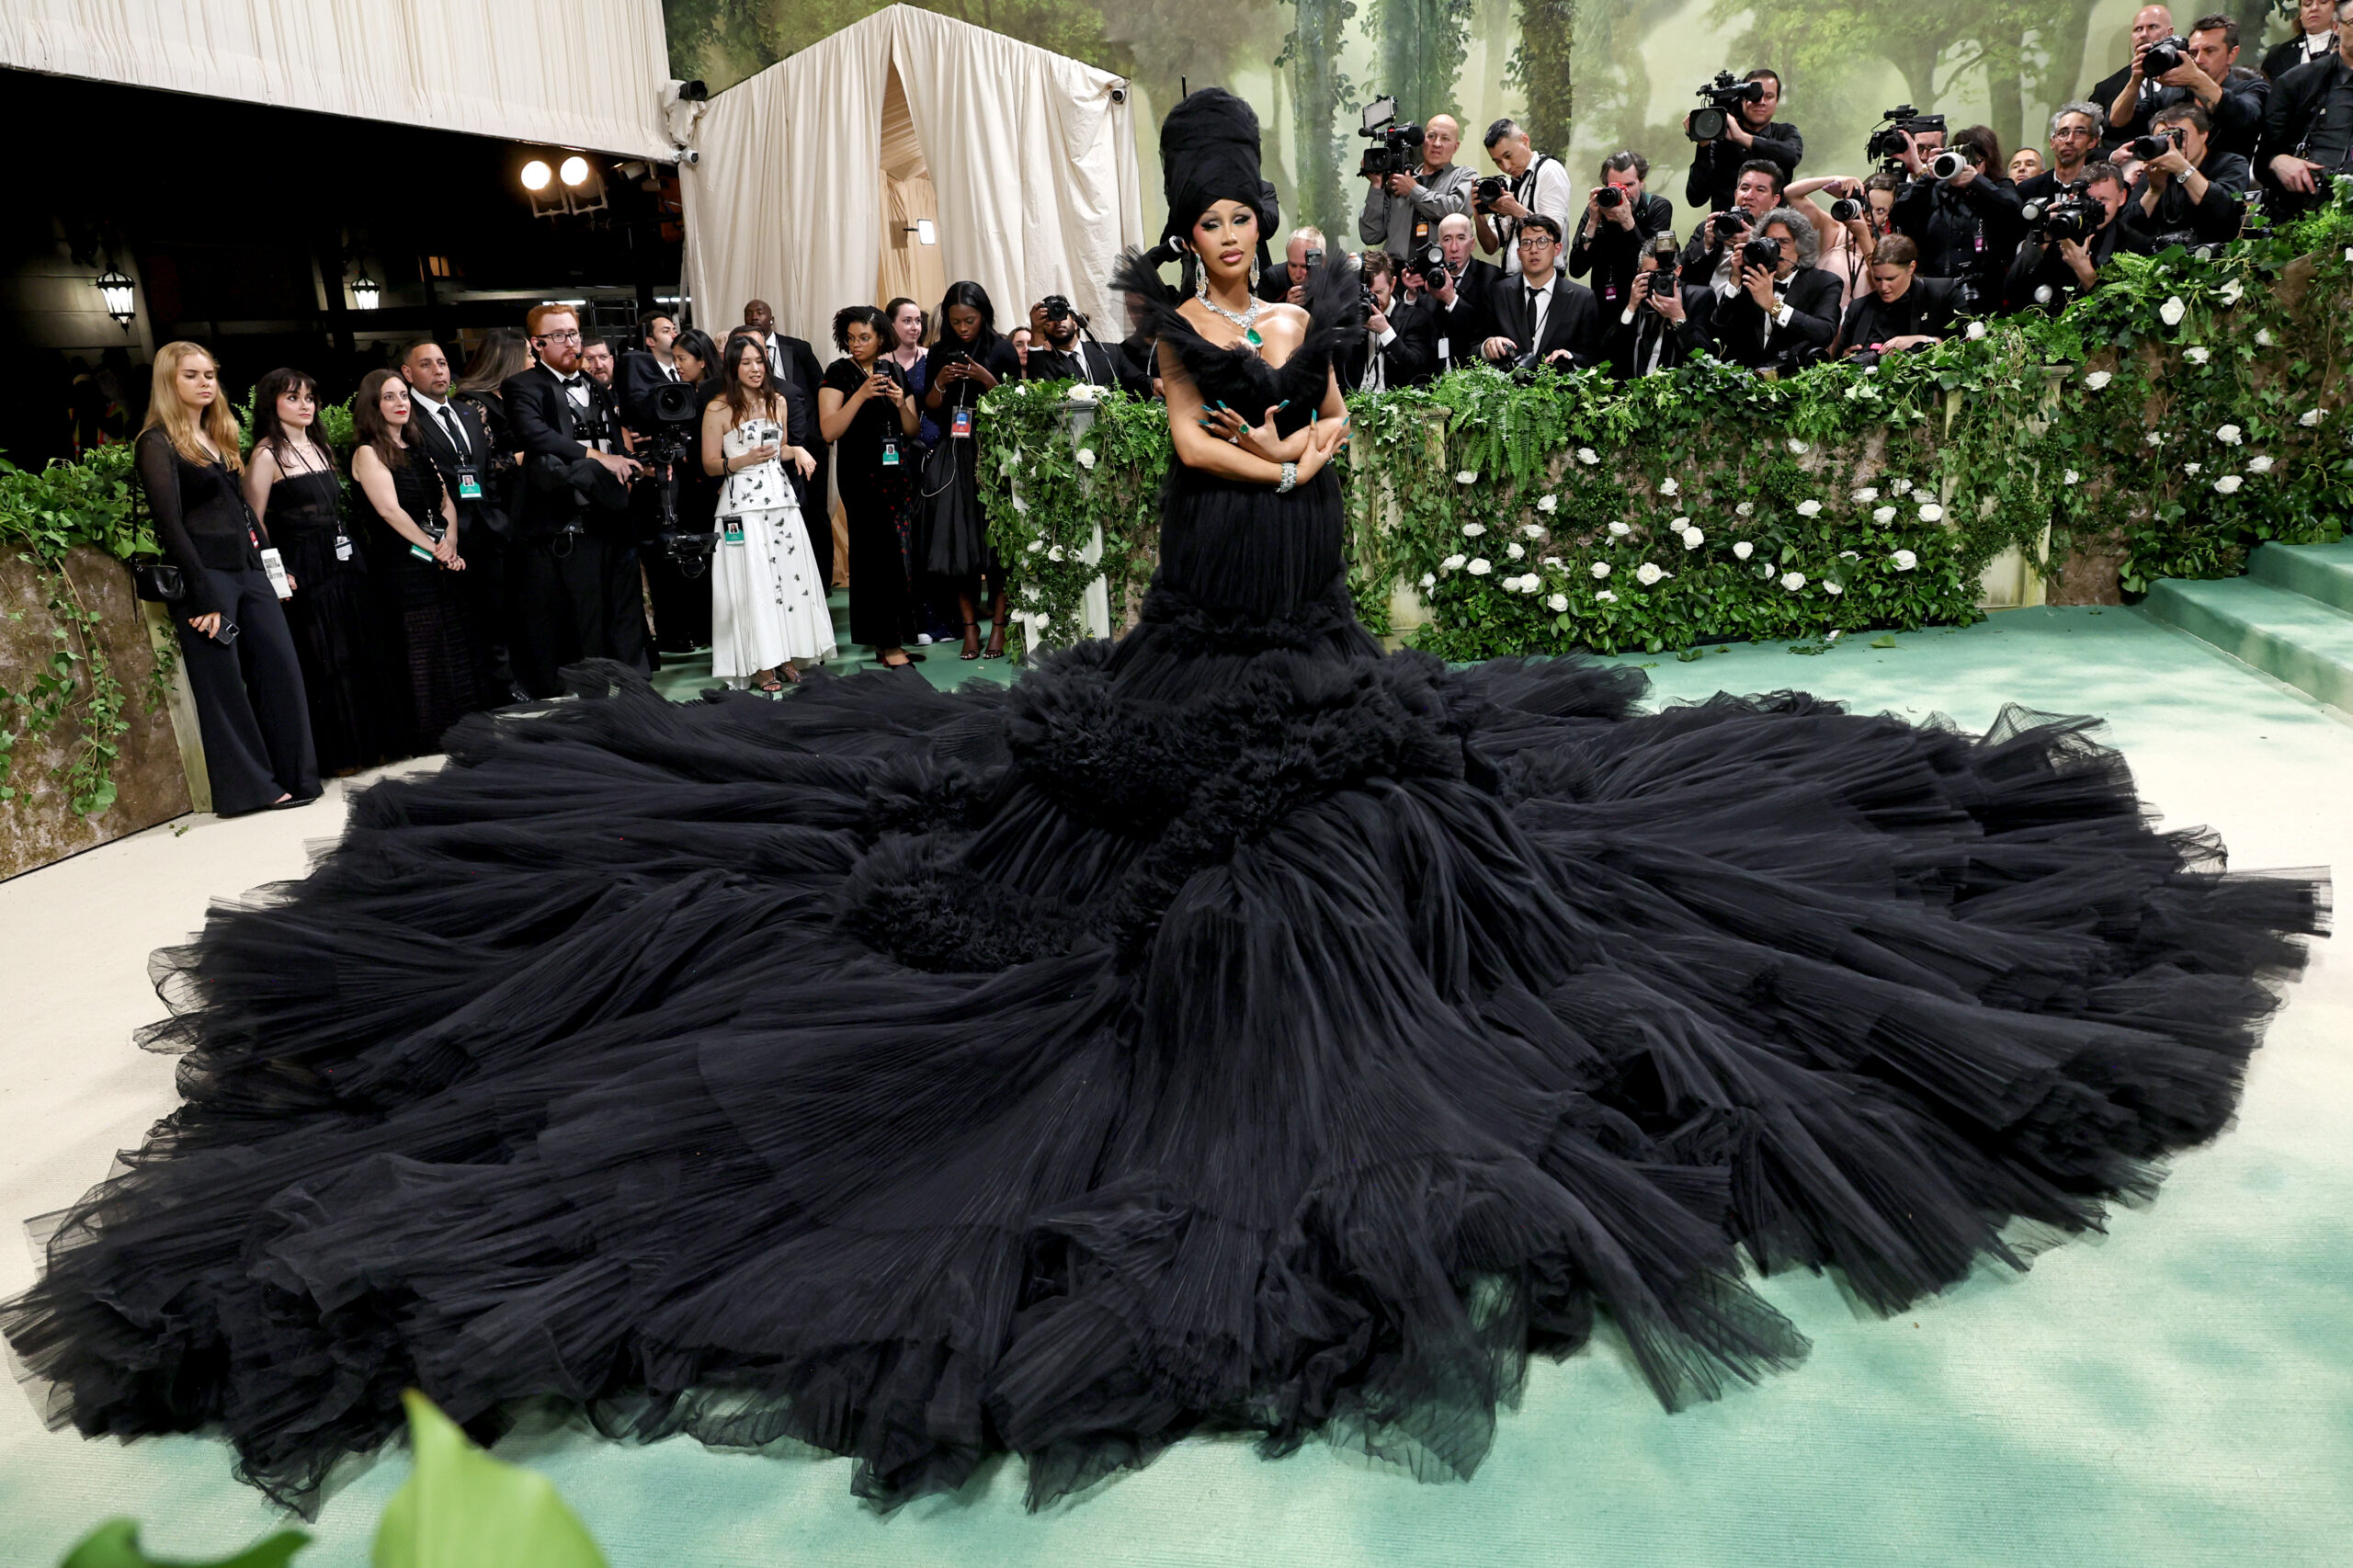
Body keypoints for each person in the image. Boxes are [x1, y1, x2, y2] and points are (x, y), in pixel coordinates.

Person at [9, 82, 2326, 1525]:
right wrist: (1271, 438)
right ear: (1180, 237)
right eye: (1206, 223)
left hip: (1305, 585)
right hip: (1215, 569)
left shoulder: (1324, 295)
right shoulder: (1166, 335)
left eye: (1242, 223)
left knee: (1452, 813)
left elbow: (1335, 419)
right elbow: (1193, 443)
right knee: (1097, 846)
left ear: (1268, 227)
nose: (1228, 241)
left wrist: (1321, 442)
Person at [132, 343, 319, 814]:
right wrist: (202, 594)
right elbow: (169, 523)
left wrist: (273, 569)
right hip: (208, 576)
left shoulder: (219, 435)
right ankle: (252, 791)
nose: (205, 383)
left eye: (210, 374)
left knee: (282, 671)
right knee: (224, 686)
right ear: (169, 383)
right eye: (192, 375)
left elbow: (243, 515)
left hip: (250, 570)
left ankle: (298, 776)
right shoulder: (156, 442)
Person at [242, 367, 398, 775]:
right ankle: (340, 755)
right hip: (302, 567)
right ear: (271, 404)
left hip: (343, 559)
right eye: (292, 398)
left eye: (309, 397)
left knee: (358, 649)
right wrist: (277, 576)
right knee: (325, 657)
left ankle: (372, 745)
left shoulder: (322, 447)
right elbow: (254, 525)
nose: (304, 405)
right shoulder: (265, 455)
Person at [503, 302, 649, 696]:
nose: (571, 343)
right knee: (587, 617)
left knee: (626, 609)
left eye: (574, 334)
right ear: (537, 344)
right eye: (560, 336)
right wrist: (600, 458)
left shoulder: (596, 384)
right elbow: (536, 438)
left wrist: (626, 467)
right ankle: (594, 700)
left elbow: (614, 436)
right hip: (570, 523)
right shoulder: (523, 386)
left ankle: (638, 692)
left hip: (614, 514)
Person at [349, 368, 492, 756]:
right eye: (389, 397)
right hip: (401, 567)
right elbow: (389, 512)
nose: (400, 404)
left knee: (455, 641)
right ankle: (431, 734)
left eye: (403, 396)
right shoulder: (367, 452)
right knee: (422, 650)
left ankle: (463, 726)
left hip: (439, 560)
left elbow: (446, 500)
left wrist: (450, 543)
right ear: (372, 406)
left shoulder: (417, 446)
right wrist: (435, 550)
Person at [700, 332, 835, 691]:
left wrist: (800, 452)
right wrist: (743, 459)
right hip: (740, 505)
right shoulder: (718, 408)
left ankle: (787, 655)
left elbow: (783, 447)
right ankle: (761, 663)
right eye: (746, 363)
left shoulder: (779, 401)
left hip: (780, 499)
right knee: (753, 582)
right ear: (732, 367)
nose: (755, 369)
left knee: (789, 578)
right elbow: (711, 464)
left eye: (759, 361)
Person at [403, 340, 521, 702]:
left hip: (489, 526)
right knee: (463, 619)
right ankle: (482, 692)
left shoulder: (467, 413)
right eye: (427, 364)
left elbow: (486, 472)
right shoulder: (408, 421)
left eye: (442, 363)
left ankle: (506, 686)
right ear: (408, 373)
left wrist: (497, 515)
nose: (439, 371)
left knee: (499, 612)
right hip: (446, 536)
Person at [921, 281, 1021, 660]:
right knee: (958, 547)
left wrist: (986, 379)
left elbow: (1016, 404)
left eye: (970, 320)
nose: (963, 328)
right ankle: (969, 631)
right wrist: (940, 383)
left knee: (996, 548)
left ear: (984, 315)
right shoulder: (941, 351)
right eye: (956, 320)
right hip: (954, 453)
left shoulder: (1002, 349)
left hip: (993, 452)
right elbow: (930, 408)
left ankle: (998, 627)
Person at [822, 306, 923, 666]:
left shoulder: (894, 370)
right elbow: (829, 430)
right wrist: (861, 395)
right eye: (850, 338)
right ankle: (889, 645)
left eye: (864, 337)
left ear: (881, 337)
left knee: (900, 558)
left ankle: (889, 640)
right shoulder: (838, 372)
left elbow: (911, 431)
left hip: (896, 476)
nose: (856, 345)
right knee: (875, 559)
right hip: (861, 478)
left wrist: (899, 404)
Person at [743, 300, 834, 588]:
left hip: (810, 444)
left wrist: (818, 436)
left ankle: (822, 578)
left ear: (773, 317)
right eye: (750, 314)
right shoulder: (741, 365)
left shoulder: (799, 347)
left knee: (815, 512)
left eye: (760, 312)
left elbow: (821, 387)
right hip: (769, 450)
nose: (755, 317)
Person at [1890, 124, 2025, 312]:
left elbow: (2016, 212)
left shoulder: (1998, 188)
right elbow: (1898, 215)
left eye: (1975, 161)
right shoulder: (1936, 190)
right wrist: (1929, 176)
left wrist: (1977, 181)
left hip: (1990, 292)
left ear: (1987, 160)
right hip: (1939, 292)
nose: (1967, 166)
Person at [2109, 14, 2269, 161]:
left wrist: (2196, 79)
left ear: (2232, 54)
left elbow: (2244, 118)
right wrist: (2135, 79)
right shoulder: (2171, 94)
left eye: (2209, 51)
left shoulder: (2252, 87)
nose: (2199, 59)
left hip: (2226, 184)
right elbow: (2118, 121)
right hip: (2170, 185)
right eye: (2193, 52)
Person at [1703, 206, 1841, 373]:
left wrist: (1773, 305)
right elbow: (1717, 332)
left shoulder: (1825, 282)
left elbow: (1824, 333)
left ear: (1801, 247)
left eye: (1783, 242)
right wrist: (1734, 281)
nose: (1775, 249)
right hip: (1744, 384)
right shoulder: (1749, 279)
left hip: (1795, 385)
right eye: (1769, 242)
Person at [2258, 0, 2353, 215]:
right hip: (2309, 209)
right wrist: (2279, 161)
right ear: (2337, 27)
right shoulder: (2296, 82)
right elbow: (2264, 159)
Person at [2001, 161, 2132, 313]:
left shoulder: (2133, 243)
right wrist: (2040, 243)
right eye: (2087, 200)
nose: (2094, 208)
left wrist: (2084, 269)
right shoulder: (2058, 228)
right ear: (2072, 198)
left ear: (2122, 197)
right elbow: (2010, 292)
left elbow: (2121, 315)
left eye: (2103, 200)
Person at [2120, 100, 2252, 251]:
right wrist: (2154, 190)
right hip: (2163, 261)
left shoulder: (2231, 163)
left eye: (2178, 136)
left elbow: (2225, 210)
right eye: (2163, 139)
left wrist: (2183, 169)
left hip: (2216, 257)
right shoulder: (2156, 171)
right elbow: (2128, 228)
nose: (2172, 145)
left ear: (2203, 135)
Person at [1477, 215, 1600, 371]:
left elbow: (1593, 358)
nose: (1534, 250)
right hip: (1508, 391)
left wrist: (1569, 357)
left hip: (1559, 391)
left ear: (1557, 249)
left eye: (1542, 242)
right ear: (1519, 252)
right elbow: (1474, 347)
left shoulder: (1582, 298)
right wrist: (1487, 345)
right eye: (1526, 243)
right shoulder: (1497, 293)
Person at [1568, 150, 1675, 321]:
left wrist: (1627, 222)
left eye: (1629, 185)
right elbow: (1576, 269)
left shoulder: (1657, 208)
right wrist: (1593, 223)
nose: (1624, 193)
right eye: (1616, 187)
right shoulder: (1598, 209)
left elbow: (1654, 264)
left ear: (1641, 182)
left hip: (1641, 305)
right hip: (1603, 304)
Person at [1358, 111, 1474, 260]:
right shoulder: (1399, 180)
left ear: (1456, 146)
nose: (1436, 143)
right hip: (1395, 275)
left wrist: (1414, 191)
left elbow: (1459, 212)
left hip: (1438, 273)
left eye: (1445, 138)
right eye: (1431, 136)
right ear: (1422, 140)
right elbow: (1371, 235)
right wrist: (1376, 185)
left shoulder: (1463, 175)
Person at [1684, 68, 1803, 210]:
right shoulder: (1721, 140)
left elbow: (1790, 156)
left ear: (1777, 101)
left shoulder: (1786, 132)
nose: (1761, 102)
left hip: (1772, 227)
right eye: (1755, 96)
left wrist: (1741, 137)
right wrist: (1704, 145)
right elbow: (1696, 198)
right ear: (1742, 100)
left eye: (1769, 96)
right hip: (1727, 227)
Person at [1475, 118, 1575, 280]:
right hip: (1512, 282)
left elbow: (1554, 232)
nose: (1506, 167)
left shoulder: (1549, 171)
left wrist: (1517, 211)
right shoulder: (1509, 184)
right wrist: (1478, 215)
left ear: (1525, 140)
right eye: (1498, 161)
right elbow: (1490, 246)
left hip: (1545, 280)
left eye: (1508, 155)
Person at [1833, 234, 1962, 358]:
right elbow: (1837, 359)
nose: (1883, 287)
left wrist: (1925, 341)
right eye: (1877, 279)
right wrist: (1846, 359)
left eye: (1891, 279)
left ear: (1911, 267)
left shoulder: (1941, 294)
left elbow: (1966, 346)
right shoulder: (1858, 308)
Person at [1608, 236, 1710, 378]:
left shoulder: (1697, 298)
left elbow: (1703, 359)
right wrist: (1631, 308)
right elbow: (1609, 353)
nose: (1657, 281)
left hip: (1677, 394)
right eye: (1650, 275)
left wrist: (1678, 318)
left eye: (1663, 274)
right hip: (1633, 392)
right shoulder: (1634, 293)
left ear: (1678, 270)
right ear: (1639, 273)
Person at [1678, 159, 1786, 290]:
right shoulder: (1712, 227)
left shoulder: (1776, 238)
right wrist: (1706, 245)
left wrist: (1754, 244)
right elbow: (1679, 273)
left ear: (1774, 200)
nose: (1749, 195)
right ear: (1736, 194)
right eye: (1744, 188)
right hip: (1699, 307)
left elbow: (1781, 281)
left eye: (1760, 190)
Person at [2095, 6, 2183, 152]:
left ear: (2170, 33)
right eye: (2138, 29)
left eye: (2152, 27)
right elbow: (2092, 144)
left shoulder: (2186, 78)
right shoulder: (2105, 89)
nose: (2143, 34)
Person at [1345, 250, 1438, 390]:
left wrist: (1386, 332)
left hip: (1396, 406)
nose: (1372, 300)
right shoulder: (1349, 318)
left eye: (1378, 292)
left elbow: (1418, 370)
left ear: (1392, 285)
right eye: (1365, 294)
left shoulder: (1414, 318)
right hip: (1354, 403)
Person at [1425, 211, 1503, 369]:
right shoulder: (1432, 277)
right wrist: (1411, 297)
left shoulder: (1492, 278)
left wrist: (1451, 299)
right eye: (1447, 240)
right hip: (1434, 375)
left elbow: (1483, 332)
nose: (1454, 248)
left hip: (1473, 373)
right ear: (1439, 246)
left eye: (1461, 238)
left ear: (1472, 243)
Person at [2017, 104, 2107, 207]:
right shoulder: (2028, 189)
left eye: (2079, 132)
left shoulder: (2100, 187)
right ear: (2052, 142)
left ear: (2093, 141)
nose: (2069, 140)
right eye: (2063, 133)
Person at [2264, 0, 2339, 78]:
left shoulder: (2347, 48)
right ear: (2301, 14)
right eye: (2307, 4)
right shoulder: (2278, 55)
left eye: (2323, 2)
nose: (2314, 8)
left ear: (2336, 8)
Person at [1256, 226, 1326, 303]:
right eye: (1293, 265)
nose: (1297, 274)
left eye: (1305, 267)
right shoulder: (1273, 279)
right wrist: (1287, 307)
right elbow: (1263, 314)